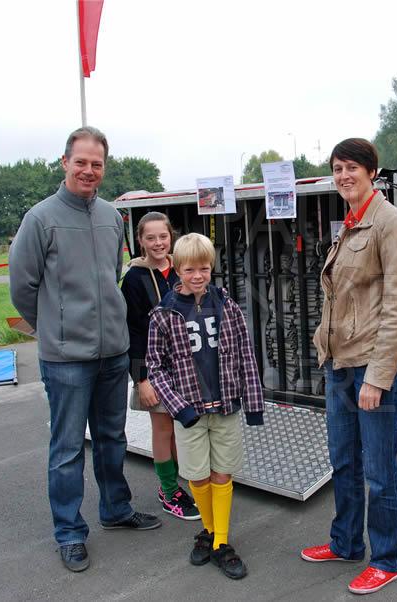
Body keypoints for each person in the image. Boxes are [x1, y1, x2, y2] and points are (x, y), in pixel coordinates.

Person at [9, 126, 161, 573]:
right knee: (68, 448)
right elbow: (22, 287)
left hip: (113, 352)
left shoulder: (113, 217)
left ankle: (115, 509)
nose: (89, 170)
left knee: (113, 438)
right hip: (66, 359)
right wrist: (52, 329)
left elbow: (111, 276)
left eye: (97, 164)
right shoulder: (41, 219)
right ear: (65, 162)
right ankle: (70, 532)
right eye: (81, 162)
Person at [300, 138, 397, 595]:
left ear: (372, 172)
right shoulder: (351, 224)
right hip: (341, 364)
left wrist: (378, 378)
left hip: (374, 367)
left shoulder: (391, 223)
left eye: (352, 167)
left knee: (379, 470)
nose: (344, 175)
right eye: (337, 168)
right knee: (344, 462)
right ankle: (346, 542)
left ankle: (387, 559)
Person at [146, 233, 264, 580]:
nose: (197, 276)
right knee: (197, 475)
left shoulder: (227, 306)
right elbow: (155, 367)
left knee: (222, 473)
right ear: (177, 270)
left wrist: (253, 404)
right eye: (189, 270)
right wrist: (178, 407)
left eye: (204, 268)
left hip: (225, 406)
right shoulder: (163, 314)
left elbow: (245, 355)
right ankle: (210, 532)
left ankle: (221, 542)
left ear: (211, 267)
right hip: (190, 411)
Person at [121, 212, 199, 520]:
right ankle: (168, 491)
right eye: (150, 237)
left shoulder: (183, 269)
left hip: (187, 366)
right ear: (140, 240)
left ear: (171, 237)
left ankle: (186, 481)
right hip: (154, 369)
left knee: (184, 427)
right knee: (163, 428)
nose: (158, 243)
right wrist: (141, 379)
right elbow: (133, 331)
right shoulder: (134, 279)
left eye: (163, 236)